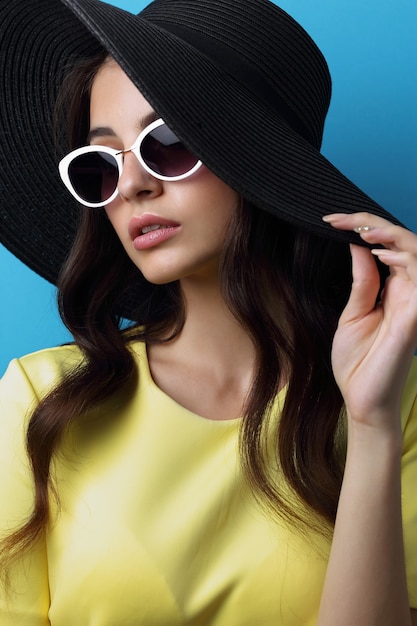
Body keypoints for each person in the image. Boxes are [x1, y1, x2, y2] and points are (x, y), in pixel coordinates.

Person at [0, 0, 416, 624]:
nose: (133, 186)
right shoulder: (40, 400)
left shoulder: (394, 404)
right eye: (100, 164)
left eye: (166, 143)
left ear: (262, 160)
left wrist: (372, 423)